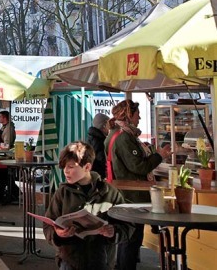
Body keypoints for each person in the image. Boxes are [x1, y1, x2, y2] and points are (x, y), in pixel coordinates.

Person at [43, 141, 132, 270]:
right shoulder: (62, 193)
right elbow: (48, 224)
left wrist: (114, 231)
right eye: (64, 167)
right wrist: (58, 234)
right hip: (69, 260)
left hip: (102, 261)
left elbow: (128, 225)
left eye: (71, 167)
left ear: (87, 167)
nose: (66, 171)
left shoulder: (110, 192)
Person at [106, 100, 171, 270]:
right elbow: (138, 167)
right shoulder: (124, 137)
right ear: (129, 115)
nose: (140, 117)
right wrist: (158, 155)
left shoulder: (115, 134)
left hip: (122, 194)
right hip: (131, 196)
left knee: (128, 239)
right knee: (131, 239)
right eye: (137, 114)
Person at [87, 113, 111, 178]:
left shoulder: (93, 137)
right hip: (98, 175)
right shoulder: (98, 140)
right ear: (104, 125)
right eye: (109, 124)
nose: (110, 127)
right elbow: (101, 159)